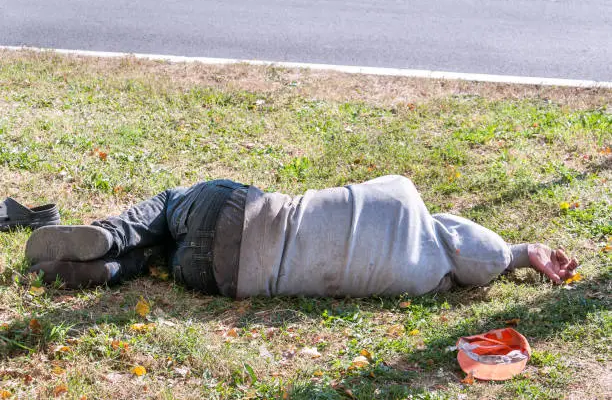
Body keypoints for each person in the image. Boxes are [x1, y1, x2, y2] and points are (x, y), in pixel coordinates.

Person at [26, 175, 578, 298]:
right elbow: (484, 254)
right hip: (226, 279)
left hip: (237, 214)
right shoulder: (413, 282)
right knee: (167, 259)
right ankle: (113, 269)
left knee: (172, 205)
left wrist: (517, 251)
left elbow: (476, 244)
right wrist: (520, 257)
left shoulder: (402, 196)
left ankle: (108, 235)